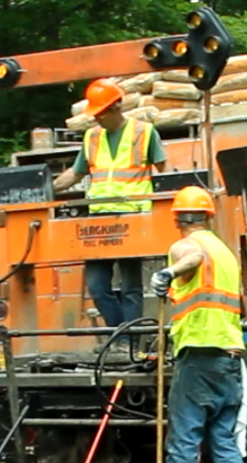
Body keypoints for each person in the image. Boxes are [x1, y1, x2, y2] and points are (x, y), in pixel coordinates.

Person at [136, 186, 247, 463]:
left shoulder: (187, 245)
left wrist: (167, 273)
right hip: (230, 359)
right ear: (208, 216)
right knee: (224, 444)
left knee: (184, 442)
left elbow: (191, 256)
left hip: (199, 358)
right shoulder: (226, 253)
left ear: (178, 218)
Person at [52, 78, 168, 328]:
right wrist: (47, 189)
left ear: (116, 107)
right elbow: (76, 173)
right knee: (96, 286)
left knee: (131, 287)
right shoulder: (91, 137)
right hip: (99, 220)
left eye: (100, 113)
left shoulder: (144, 132)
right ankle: (122, 335)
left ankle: (131, 342)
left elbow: (166, 172)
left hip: (133, 217)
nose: (96, 119)